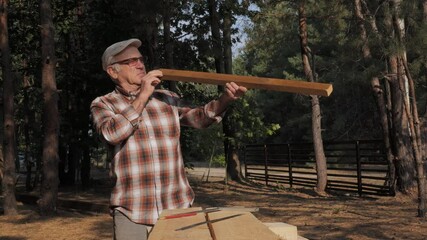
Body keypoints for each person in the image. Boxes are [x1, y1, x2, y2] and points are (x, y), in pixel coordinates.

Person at [90, 38, 247, 240]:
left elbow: (199, 118)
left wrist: (225, 98)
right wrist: (143, 96)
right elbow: (111, 134)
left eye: (140, 59)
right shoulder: (103, 104)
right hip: (132, 210)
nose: (140, 64)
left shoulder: (166, 97)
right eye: (131, 61)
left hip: (177, 207)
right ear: (113, 71)